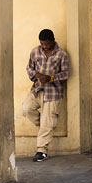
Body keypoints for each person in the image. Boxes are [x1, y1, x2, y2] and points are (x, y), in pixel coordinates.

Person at [22, 29, 70, 162]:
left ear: (53, 41)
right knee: (26, 109)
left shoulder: (62, 55)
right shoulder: (35, 51)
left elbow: (66, 74)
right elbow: (29, 68)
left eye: (47, 44)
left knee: (47, 123)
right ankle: (46, 128)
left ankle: (41, 151)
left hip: (53, 93)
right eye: (42, 44)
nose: (44, 46)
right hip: (37, 89)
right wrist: (36, 75)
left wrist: (50, 78)